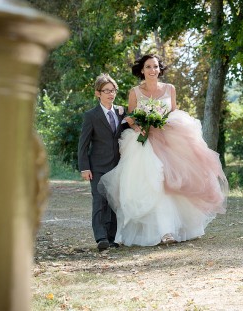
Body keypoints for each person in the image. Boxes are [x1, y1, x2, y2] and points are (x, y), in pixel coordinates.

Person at [98, 54, 228, 247]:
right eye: (148, 67)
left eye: (156, 66)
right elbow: (131, 117)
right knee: (154, 181)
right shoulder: (135, 92)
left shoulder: (170, 89)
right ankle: (163, 231)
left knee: (172, 181)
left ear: (160, 69)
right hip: (144, 142)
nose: (152, 70)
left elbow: (174, 112)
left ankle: (176, 228)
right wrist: (139, 127)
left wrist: (163, 121)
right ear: (142, 70)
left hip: (167, 140)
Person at [78, 73, 127, 251]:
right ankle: (100, 238)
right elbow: (83, 144)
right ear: (98, 93)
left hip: (117, 166)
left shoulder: (121, 112)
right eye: (106, 91)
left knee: (113, 201)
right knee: (99, 201)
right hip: (97, 166)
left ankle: (111, 237)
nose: (110, 94)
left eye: (113, 90)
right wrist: (84, 167)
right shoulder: (91, 115)